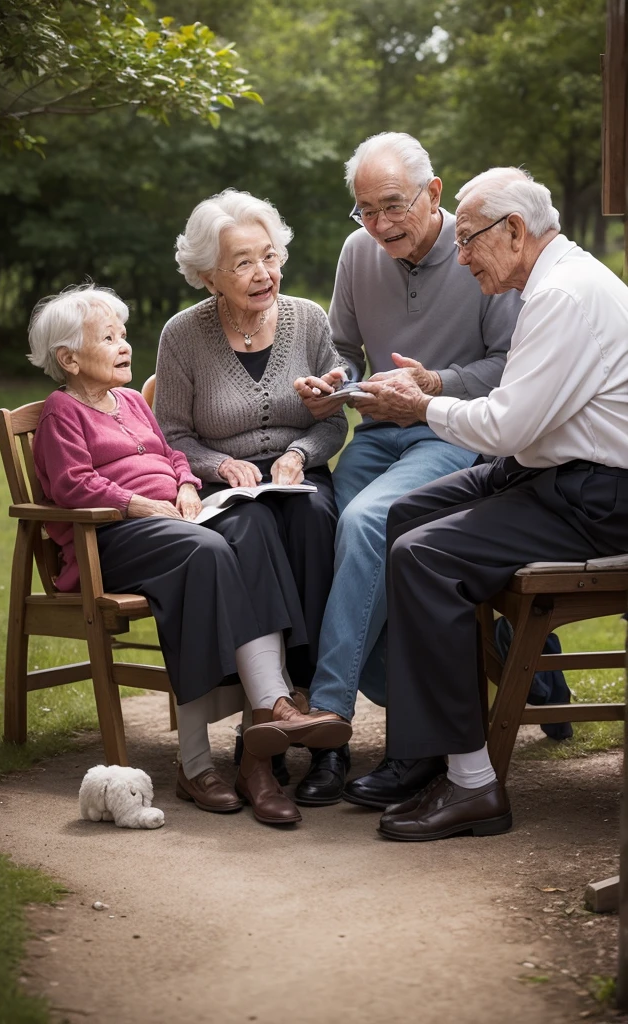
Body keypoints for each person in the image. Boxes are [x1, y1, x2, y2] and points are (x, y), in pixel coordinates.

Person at [357, 167, 628, 841]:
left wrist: (421, 405)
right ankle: (429, 747)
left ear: (515, 230)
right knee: (406, 514)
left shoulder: (563, 295)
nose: (461, 253)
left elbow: (509, 427)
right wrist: (433, 388)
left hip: (597, 496)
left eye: (470, 239)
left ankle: (475, 787)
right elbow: (523, 422)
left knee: (425, 558)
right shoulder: (554, 282)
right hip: (551, 472)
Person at [28, 284, 351, 829]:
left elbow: (173, 452)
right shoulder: (64, 412)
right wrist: (139, 504)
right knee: (208, 553)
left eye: (123, 334)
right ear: (69, 359)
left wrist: (182, 485)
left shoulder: (130, 401)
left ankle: (261, 746)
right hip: (111, 537)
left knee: (252, 531)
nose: (124, 345)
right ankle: (210, 753)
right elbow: (71, 484)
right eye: (108, 338)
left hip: (170, 520)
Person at [292, 132, 521, 808]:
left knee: (368, 523)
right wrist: (337, 377)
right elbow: (343, 345)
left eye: (393, 206)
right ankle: (499, 673)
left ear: (434, 194)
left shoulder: (480, 249)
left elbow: (513, 364)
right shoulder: (357, 252)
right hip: (375, 433)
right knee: (320, 526)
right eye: (365, 210)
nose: (380, 225)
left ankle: (329, 730)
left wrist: (438, 383)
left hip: (452, 435)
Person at [153, 189, 350, 774]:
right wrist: (218, 467)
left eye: (269, 255)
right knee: (253, 524)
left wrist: (297, 451)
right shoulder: (182, 336)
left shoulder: (309, 319)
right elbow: (173, 435)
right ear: (209, 275)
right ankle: (266, 711)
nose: (264, 273)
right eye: (243, 263)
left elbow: (335, 420)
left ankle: (323, 712)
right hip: (226, 488)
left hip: (301, 476)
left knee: (316, 519)